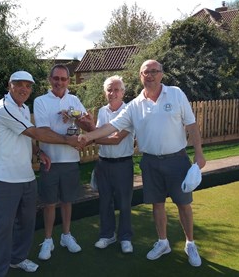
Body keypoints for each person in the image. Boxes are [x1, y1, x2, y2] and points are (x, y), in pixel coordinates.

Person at [78, 60, 206, 267]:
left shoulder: (176, 93)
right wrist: (87, 137)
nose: (150, 75)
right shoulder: (135, 105)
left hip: (177, 159)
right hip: (150, 162)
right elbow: (110, 127)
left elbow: (191, 124)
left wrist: (199, 153)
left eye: (154, 71)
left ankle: (190, 243)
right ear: (140, 76)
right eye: (146, 72)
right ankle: (163, 242)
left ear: (161, 74)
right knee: (157, 204)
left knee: (184, 204)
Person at [0, 70, 82, 276]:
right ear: (9, 85)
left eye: (28, 86)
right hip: (5, 177)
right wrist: (67, 141)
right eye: (19, 84)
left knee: (26, 222)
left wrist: (39, 152)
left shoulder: (22, 108)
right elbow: (35, 132)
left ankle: (17, 259)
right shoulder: (4, 108)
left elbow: (25, 137)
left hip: (26, 176)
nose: (24, 89)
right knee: (4, 227)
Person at [33, 64, 89, 261]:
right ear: (50, 79)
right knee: (49, 203)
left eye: (63, 79)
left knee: (67, 201)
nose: (59, 82)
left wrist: (80, 118)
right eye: (56, 78)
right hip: (50, 161)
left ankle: (66, 235)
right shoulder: (40, 101)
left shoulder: (74, 100)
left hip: (71, 160)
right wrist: (67, 140)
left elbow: (90, 126)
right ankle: (48, 240)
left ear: (68, 81)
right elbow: (43, 133)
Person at [86, 75, 135, 253]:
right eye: (109, 90)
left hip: (123, 164)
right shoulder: (102, 111)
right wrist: (89, 128)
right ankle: (107, 235)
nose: (113, 93)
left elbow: (116, 140)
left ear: (123, 92)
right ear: (105, 92)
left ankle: (125, 237)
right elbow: (98, 133)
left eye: (116, 89)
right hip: (103, 164)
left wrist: (91, 139)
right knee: (105, 202)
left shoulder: (129, 110)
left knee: (124, 203)